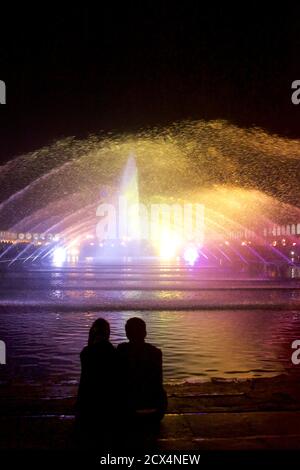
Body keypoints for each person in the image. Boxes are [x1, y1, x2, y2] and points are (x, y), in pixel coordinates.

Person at [75, 318, 118, 448]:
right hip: (108, 408)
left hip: (87, 408)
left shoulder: (86, 352)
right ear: (108, 333)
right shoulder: (114, 353)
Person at [117, 317, 167, 428]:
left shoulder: (122, 350)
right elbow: (159, 382)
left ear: (127, 334)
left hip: (127, 413)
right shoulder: (155, 352)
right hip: (156, 412)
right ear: (145, 333)